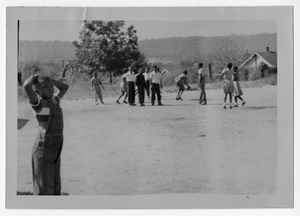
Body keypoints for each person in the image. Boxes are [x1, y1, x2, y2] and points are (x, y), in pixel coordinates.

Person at [23, 74, 69, 195]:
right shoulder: (37, 103)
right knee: (44, 186)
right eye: (45, 87)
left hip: (55, 148)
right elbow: (26, 85)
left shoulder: (55, 100)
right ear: (37, 91)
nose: (50, 88)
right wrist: (35, 76)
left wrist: (49, 80)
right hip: (43, 148)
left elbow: (65, 87)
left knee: (55, 183)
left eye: (51, 86)